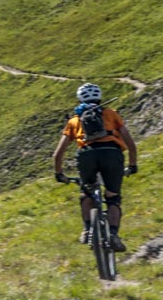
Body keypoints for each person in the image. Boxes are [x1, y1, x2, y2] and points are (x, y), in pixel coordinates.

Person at [52, 82, 138, 251]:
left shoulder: (74, 120)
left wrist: (59, 173)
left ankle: (87, 230)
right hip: (112, 154)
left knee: (86, 192)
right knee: (113, 197)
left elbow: (57, 154)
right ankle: (113, 234)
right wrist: (132, 164)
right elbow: (131, 144)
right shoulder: (111, 114)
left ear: (79, 99)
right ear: (99, 98)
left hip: (87, 155)